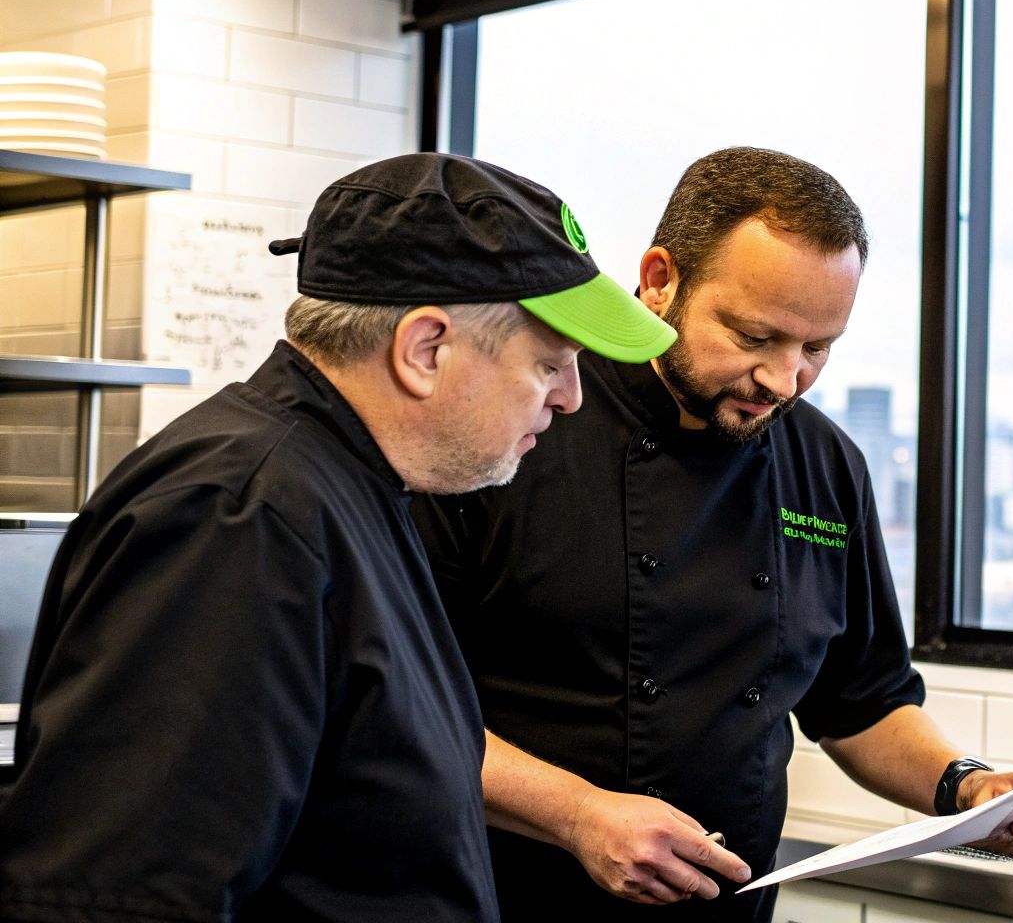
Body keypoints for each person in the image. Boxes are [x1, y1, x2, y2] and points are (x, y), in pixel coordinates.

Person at [414, 147, 1013, 921]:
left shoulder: (826, 464)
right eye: (755, 336)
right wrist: (578, 816)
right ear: (660, 280)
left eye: (817, 348)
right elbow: (402, 707)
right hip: (497, 900)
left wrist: (969, 788)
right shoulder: (519, 429)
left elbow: (861, 702)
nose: (784, 380)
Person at [0, 154, 675, 922]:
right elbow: (122, 896)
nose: (571, 398)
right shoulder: (241, 519)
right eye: (551, 364)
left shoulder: (354, 487)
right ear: (425, 350)